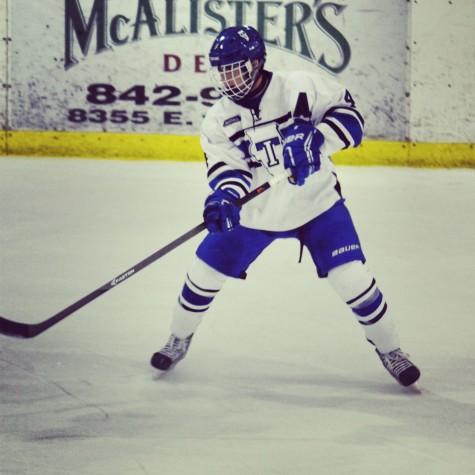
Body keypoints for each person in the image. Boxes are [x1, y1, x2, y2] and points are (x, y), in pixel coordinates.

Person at [150, 26, 420, 387]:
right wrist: (225, 198)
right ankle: (178, 338)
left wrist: (317, 138)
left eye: (236, 68)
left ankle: (391, 350)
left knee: (353, 279)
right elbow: (227, 169)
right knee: (202, 273)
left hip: (317, 204)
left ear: (258, 62)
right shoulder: (217, 119)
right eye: (222, 70)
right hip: (257, 213)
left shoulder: (300, 88)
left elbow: (353, 120)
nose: (229, 79)